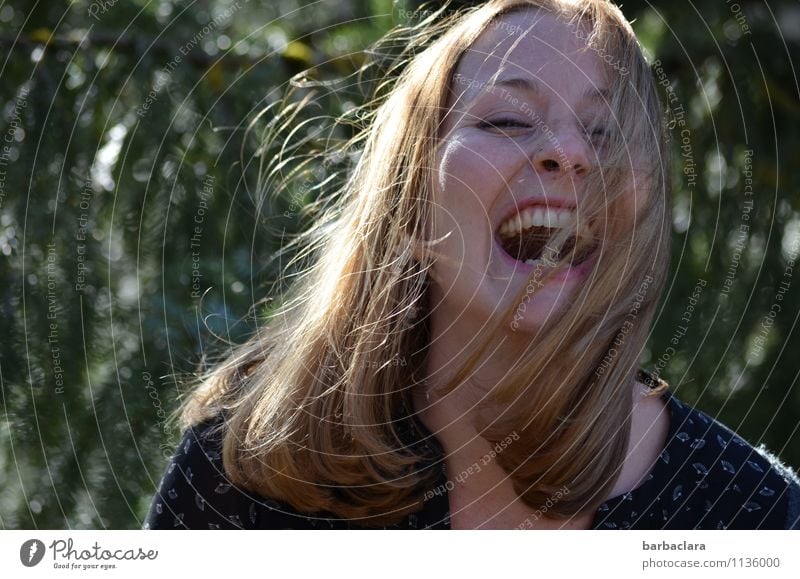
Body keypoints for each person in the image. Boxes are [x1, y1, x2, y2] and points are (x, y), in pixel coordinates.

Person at [144, 0, 800, 530]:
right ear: (410, 211)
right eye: (510, 119)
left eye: (605, 133)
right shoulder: (242, 473)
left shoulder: (751, 513)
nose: (570, 153)